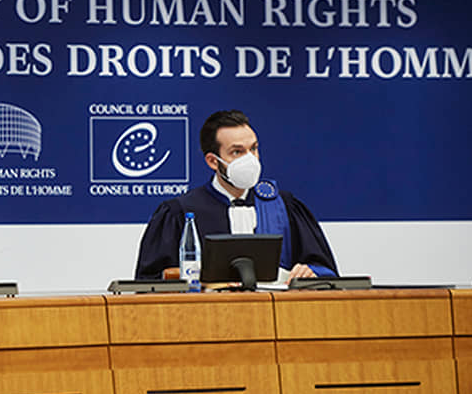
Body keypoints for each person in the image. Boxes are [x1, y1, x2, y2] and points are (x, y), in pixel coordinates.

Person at [135, 109, 338, 282]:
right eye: (237, 152)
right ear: (213, 161)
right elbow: (150, 284)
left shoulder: (283, 206)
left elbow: (325, 271)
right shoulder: (180, 212)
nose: (250, 159)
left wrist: (309, 272)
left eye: (253, 149)